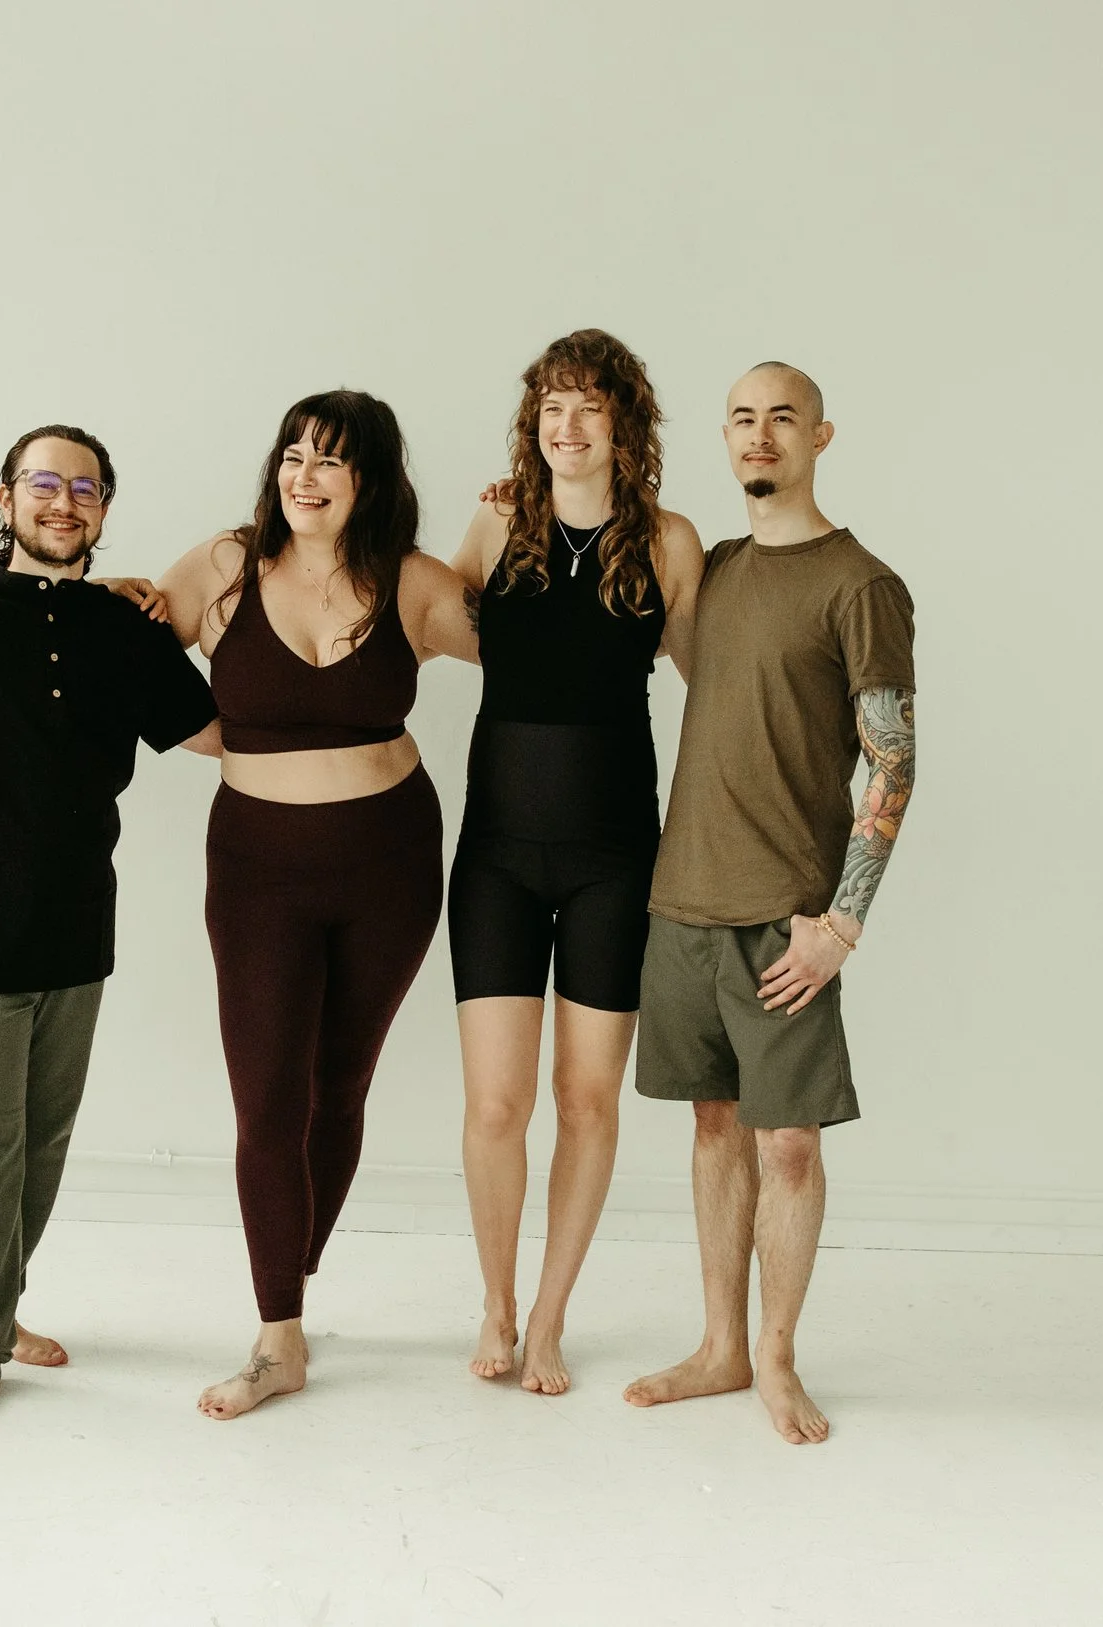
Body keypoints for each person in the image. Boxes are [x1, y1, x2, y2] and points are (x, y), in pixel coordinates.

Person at [0, 425, 221, 1425]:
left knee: (41, 1143)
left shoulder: (129, 630)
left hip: (75, 928)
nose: (64, 501)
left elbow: (217, 735)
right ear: (6, 495)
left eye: (86, 488)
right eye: (45, 483)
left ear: (103, 509)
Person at [156, 390, 479, 1420]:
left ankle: (285, 1283)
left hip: (390, 861)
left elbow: (545, 650)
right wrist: (200, 731)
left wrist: (503, 523)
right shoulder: (222, 567)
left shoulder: (415, 585)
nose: (304, 473)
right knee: (266, 1100)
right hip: (255, 868)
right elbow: (124, 638)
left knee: (338, 1091)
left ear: (370, 479)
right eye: (292, 453)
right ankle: (275, 1335)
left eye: (330, 459)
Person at [622, 362, 918, 1445]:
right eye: (742, 419)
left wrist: (841, 922)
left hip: (787, 915)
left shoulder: (860, 584)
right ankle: (720, 1346)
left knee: (785, 1143)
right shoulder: (716, 569)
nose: (759, 435)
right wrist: (532, 494)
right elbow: (623, 584)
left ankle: (780, 1359)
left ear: (819, 436)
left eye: (781, 417)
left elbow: (891, 764)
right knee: (712, 1129)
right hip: (681, 897)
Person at [444, 330, 704, 1394]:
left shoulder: (671, 540)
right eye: (552, 406)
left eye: (590, 406)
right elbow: (420, 620)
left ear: (623, 424)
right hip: (497, 853)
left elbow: (709, 676)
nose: (569, 425)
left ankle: (549, 1317)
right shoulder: (498, 520)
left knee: (585, 1098)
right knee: (497, 1106)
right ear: (531, 421)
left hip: (612, 858)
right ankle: (497, 1304)